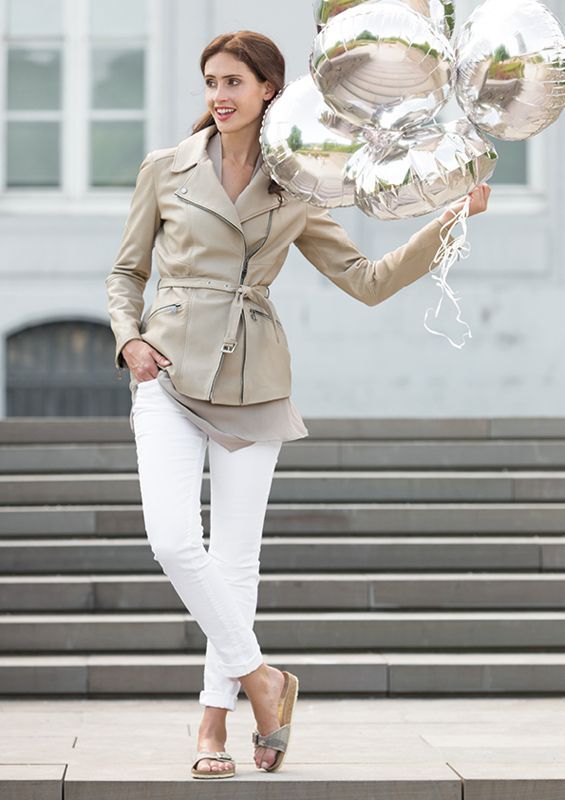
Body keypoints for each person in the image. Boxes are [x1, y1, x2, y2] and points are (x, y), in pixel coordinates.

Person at [105, 29, 491, 780]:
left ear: (268, 92)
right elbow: (125, 273)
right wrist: (128, 341)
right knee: (173, 541)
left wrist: (450, 221)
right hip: (167, 372)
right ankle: (264, 682)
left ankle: (212, 725)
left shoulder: (301, 183)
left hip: (253, 376)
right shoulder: (166, 170)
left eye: (233, 83)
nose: (218, 95)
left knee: (235, 561)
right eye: (210, 81)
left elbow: (367, 279)